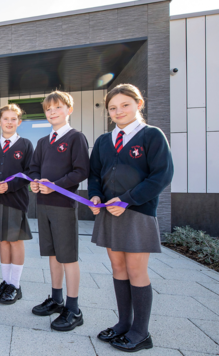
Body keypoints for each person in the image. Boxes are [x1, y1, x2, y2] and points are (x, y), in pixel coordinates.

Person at [89, 84, 173, 352]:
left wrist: (128, 200)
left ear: (139, 103)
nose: (118, 111)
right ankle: (124, 323)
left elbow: (161, 176)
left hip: (137, 212)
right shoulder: (104, 141)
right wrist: (95, 197)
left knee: (136, 271)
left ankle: (141, 332)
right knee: (118, 269)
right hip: (109, 214)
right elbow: (94, 175)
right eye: (113, 107)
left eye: (125, 105)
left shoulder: (152, 136)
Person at [29, 90, 90, 331]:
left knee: (68, 256)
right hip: (43, 205)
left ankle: (73, 308)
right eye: (48, 109)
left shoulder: (76, 137)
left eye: (57, 107)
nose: (52, 112)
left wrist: (56, 185)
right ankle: (56, 299)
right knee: (53, 254)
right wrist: (35, 181)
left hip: (64, 206)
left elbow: (81, 170)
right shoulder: (44, 142)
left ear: (69, 110)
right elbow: (34, 167)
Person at [0, 104, 33, 305]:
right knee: (3, 240)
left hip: (15, 200)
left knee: (15, 240)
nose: (9, 122)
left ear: (19, 122)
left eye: (13, 119)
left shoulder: (26, 145)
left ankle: (15, 286)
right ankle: (6, 281)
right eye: (5, 119)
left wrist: (9, 186)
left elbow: (29, 172)